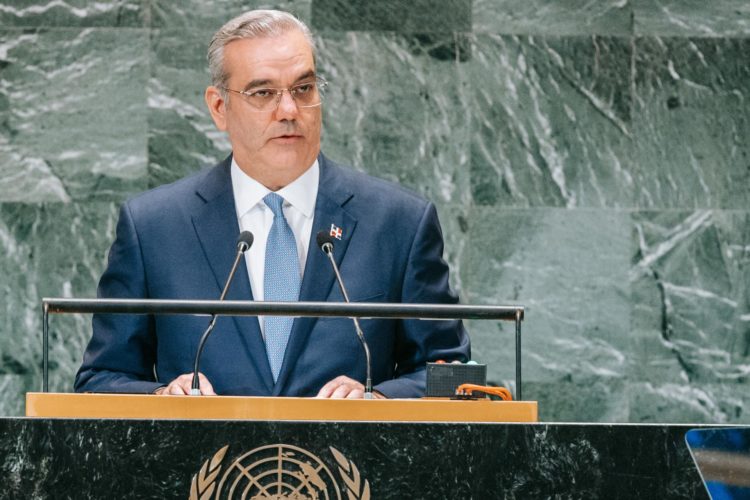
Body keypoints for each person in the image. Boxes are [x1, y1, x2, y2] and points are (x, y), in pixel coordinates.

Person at [74, 9, 469, 398]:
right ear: (218, 107)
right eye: (263, 93)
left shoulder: (398, 223)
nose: (289, 111)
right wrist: (162, 396)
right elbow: (101, 379)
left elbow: (453, 377)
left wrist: (380, 401)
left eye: (303, 89)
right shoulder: (154, 227)